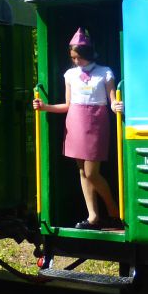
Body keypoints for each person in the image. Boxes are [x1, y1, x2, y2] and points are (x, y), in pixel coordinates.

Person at [32, 28, 124, 229]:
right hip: (75, 122)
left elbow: (112, 100)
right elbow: (67, 104)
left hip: (96, 121)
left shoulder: (105, 72)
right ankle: (93, 216)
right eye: (73, 58)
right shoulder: (70, 74)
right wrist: (45, 107)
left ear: (87, 55)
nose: (75, 61)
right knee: (82, 171)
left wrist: (117, 105)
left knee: (92, 172)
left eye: (78, 58)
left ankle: (114, 211)